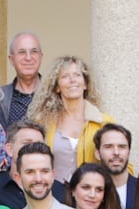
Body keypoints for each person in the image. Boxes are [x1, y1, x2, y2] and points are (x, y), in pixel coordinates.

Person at [25, 55, 106, 184]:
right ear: (57, 87)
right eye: (65, 76)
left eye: (77, 75)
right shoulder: (42, 122)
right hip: (53, 196)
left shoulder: (103, 122)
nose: (72, 80)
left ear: (85, 84)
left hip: (91, 197)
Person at [0, 122, 66, 209]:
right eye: (27, 144)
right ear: (10, 149)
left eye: (39, 145)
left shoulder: (60, 191)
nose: (33, 149)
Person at [0, 30, 46, 129]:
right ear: (11, 59)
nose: (28, 58)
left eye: (33, 51)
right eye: (22, 52)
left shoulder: (56, 94)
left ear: (41, 57)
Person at [94, 121, 135, 209]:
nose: (116, 152)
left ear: (129, 152)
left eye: (122, 147)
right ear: (97, 153)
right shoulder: (91, 194)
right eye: (108, 147)